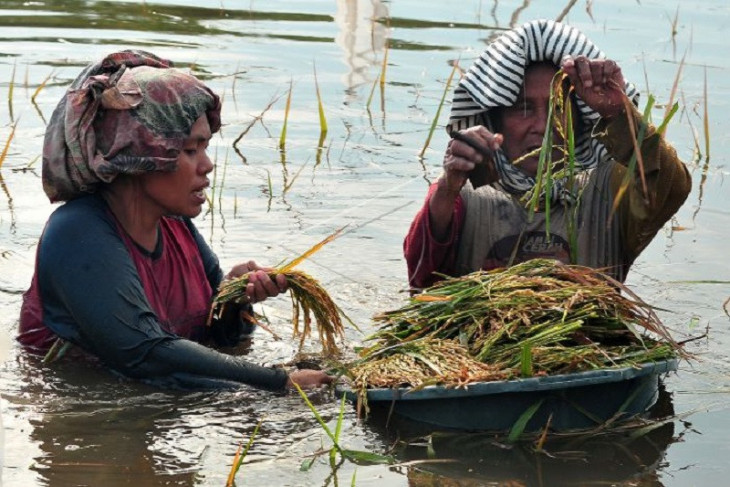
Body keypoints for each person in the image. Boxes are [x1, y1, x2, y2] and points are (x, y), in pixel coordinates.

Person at [17, 49, 332, 391]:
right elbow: (144, 354)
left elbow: (216, 340)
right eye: (190, 150)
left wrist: (234, 299)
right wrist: (281, 383)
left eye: (206, 148)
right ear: (142, 154)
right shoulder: (78, 232)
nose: (207, 165)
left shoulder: (176, 226)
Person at [404, 19, 691, 289]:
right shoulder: (462, 195)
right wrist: (447, 186)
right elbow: (420, 277)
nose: (543, 127)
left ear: (579, 121)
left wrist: (618, 113)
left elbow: (669, 186)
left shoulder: (609, 192)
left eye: (559, 109)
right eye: (523, 109)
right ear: (496, 120)